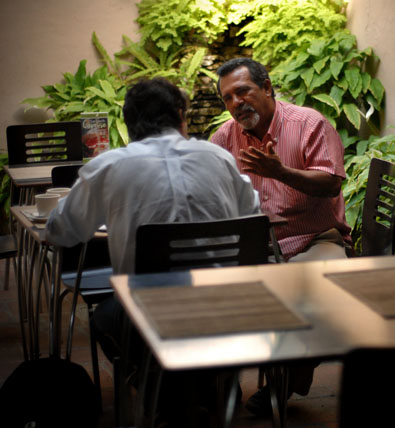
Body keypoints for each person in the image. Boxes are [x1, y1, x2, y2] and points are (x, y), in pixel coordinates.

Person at [46, 77, 260, 427]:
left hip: (150, 316)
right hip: (228, 309)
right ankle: (203, 383)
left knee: (105, 317)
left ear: (129, 124)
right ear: (181, 117)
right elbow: (252, 217)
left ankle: (162, 389)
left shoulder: (109, 166)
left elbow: (62, 231)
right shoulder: (219, 157)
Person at [210, 57, 352, 415]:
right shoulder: (224, 139)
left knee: (317, 296)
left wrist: (281, 172)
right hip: (253, 246)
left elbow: (331, 183)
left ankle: (283, 382)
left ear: (268, 88)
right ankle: (220, 390)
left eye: (243, 91)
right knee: (209, 297)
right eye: (228, 98)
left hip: (313, 238)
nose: (237, 103)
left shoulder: (309, 124)